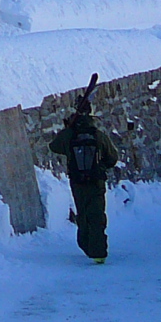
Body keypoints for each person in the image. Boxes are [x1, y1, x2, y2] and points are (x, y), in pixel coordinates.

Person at [50, 73, 120, 263]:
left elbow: (54, 146)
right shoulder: (98, 135)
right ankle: (99, 252)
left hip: (77, 181)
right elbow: (112, 158)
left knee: (83, 213)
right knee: (97, 214)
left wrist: (67, 129)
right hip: (96, 181)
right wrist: (101, 166)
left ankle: (87, 245)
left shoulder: (70, 135)